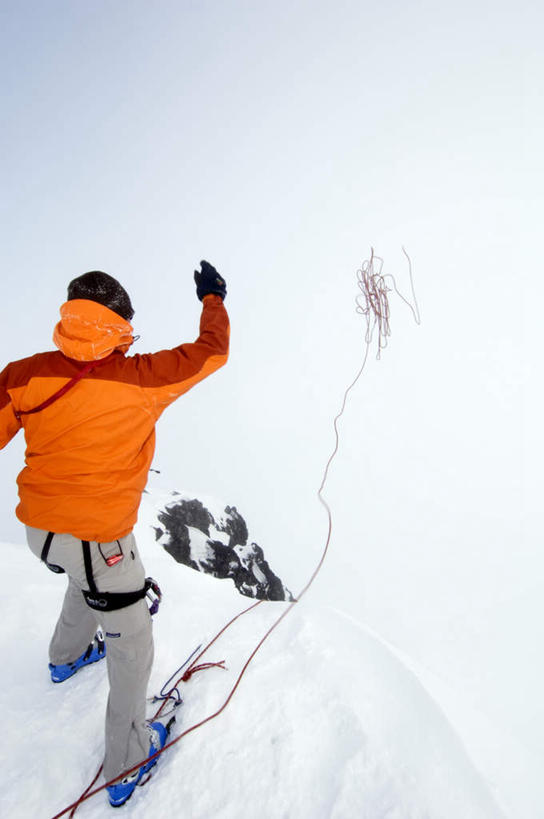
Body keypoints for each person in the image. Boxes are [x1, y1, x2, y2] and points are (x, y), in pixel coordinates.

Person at [0, 261, 229, 807]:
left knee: (80, 577)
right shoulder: (142, 377)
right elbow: (212, 352)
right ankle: (128, 761)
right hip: (102, 544)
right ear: (120, 323)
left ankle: (65, 658)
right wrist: (213, 298)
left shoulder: (24, 375)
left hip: (41, 534)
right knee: (132, 649)